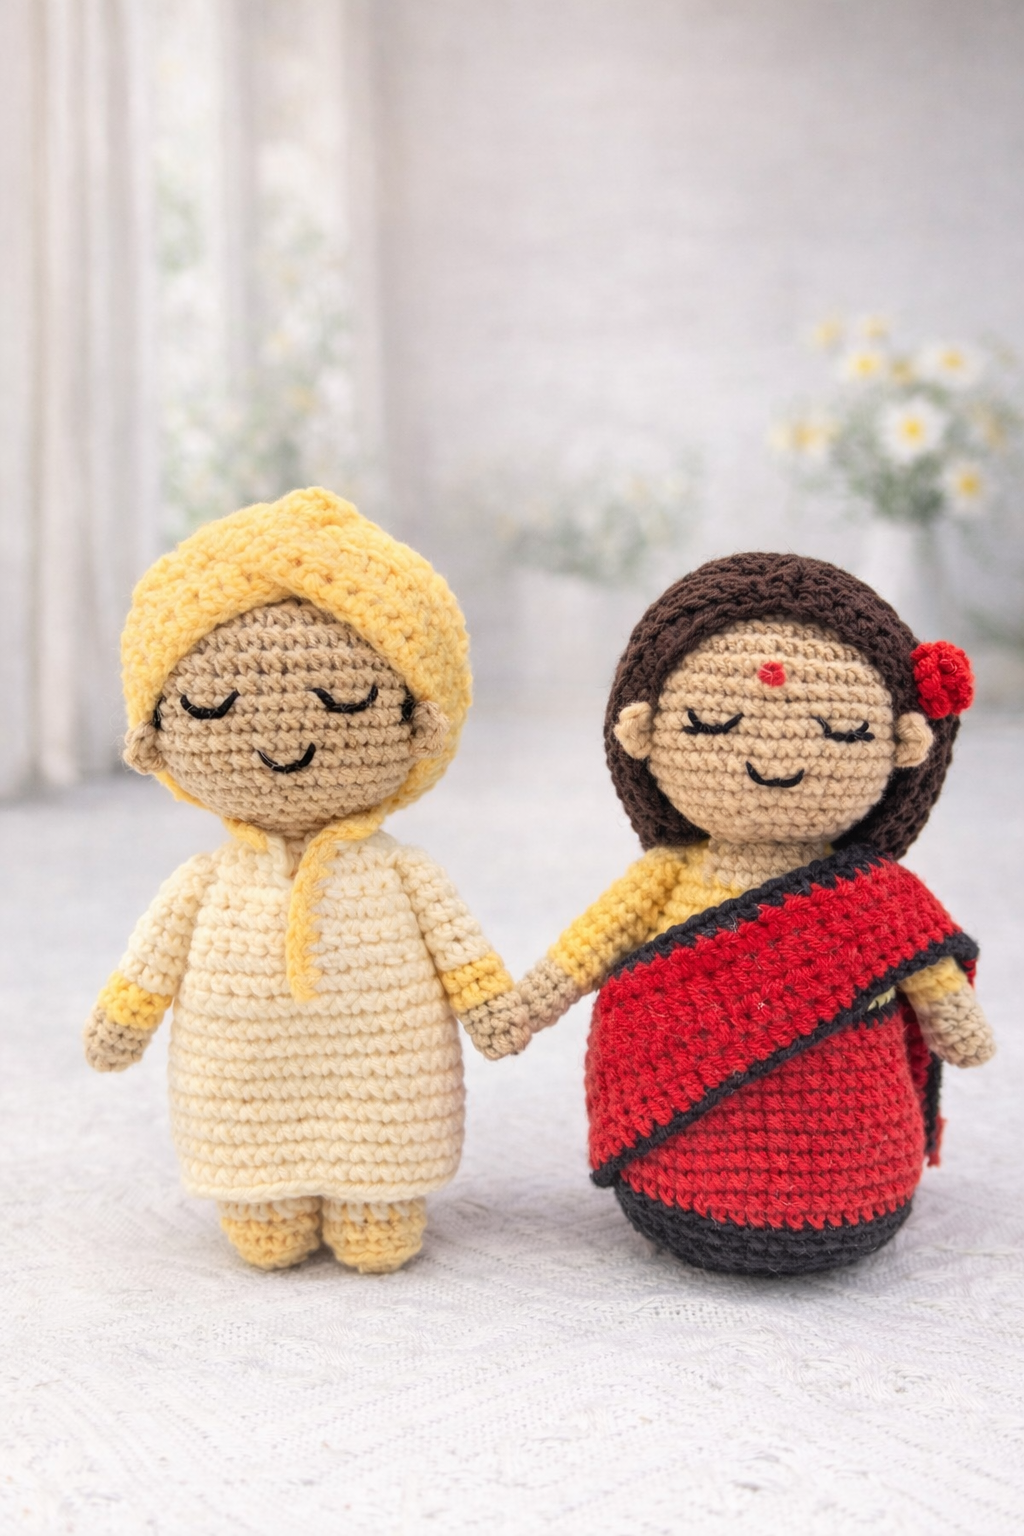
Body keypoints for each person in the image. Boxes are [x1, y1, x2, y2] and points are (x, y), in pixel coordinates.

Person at [85, 487, 528, 1273]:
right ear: (155, 737)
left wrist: (489, 1004)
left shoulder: (404, 874)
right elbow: (150, 965)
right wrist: (127, 1013)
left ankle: (376, 1196)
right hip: (242, 1066)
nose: (280, 744)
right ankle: (264, 1195)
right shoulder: (203, 884)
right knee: (256, 1176)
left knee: (381, 1150)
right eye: (215, 708)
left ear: (420, 722)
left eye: (346, 701)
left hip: (383, 1059)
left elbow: (461, 953)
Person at [519, 552, 994, 1275]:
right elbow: (587, 949)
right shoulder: (669, 876)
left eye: (840, 730)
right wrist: (530, 1002)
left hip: (851, 1150)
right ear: (643, 733)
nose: (775, 757)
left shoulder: (873, 896)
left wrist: (954, 1015)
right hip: (678, 1147)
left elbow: (926, 973)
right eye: (713, 721)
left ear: (902, 746)